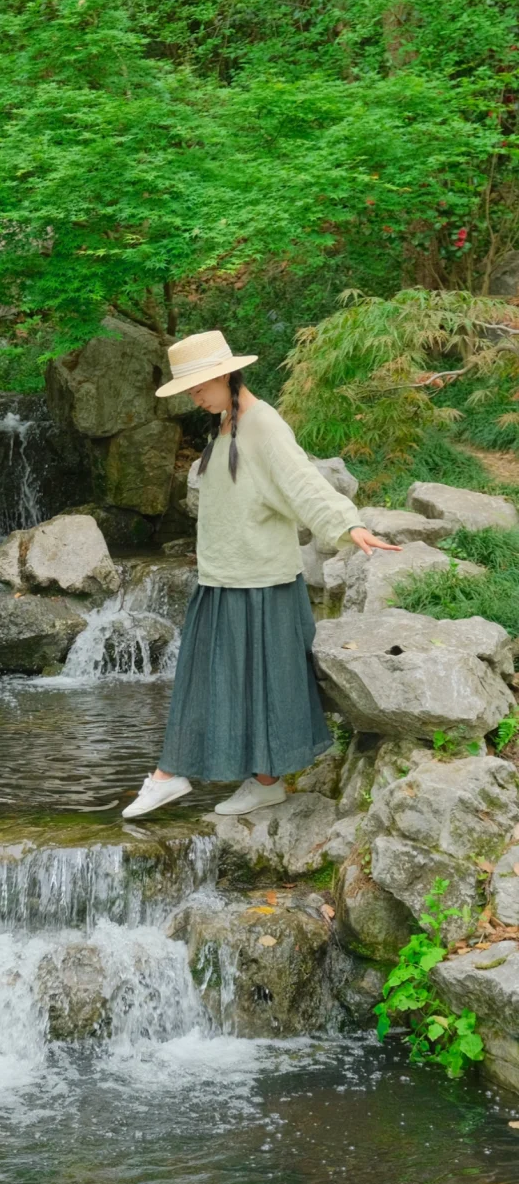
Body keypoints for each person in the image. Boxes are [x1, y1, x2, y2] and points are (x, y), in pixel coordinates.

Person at [124, 329, 400, 820]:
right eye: (189, 386)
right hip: (224, 577)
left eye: (199, 384)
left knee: (256, 685)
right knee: (217, 682)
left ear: (226, 374)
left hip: (260, 582)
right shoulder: (225, 423)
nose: (194, 394)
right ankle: (239, 779)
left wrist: (349, 525)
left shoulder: (264, 425)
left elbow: (303, 483)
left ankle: (179, 775)